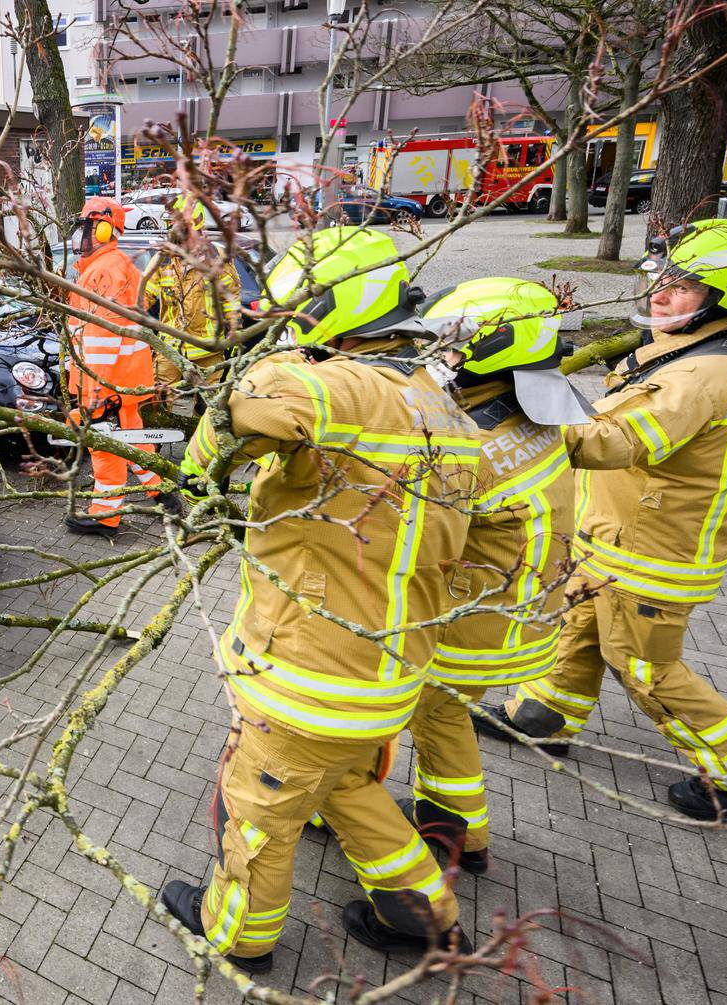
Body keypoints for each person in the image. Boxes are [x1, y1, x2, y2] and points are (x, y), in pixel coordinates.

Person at [161, 227, 479, 969]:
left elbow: (255, 400)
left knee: (258, 815)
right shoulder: (441, 407)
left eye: (297, 314)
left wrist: (197, 472)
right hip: (384, 674)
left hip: (310, 676)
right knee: (350, 793)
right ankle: (422, 915)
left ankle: (237, 934)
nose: (289, 330)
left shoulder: (345, 384)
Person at [474, 219, 727, 820]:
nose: (661, 294)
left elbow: (615, 440)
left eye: (684, 286)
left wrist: (517, 419)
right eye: (662, 278)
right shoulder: (701, 345)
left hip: (655, 550)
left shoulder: (704, 373)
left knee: (646, 667)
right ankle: (542, 715)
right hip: (618, 536)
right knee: (580, 624)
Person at [398, 278, 590, 875]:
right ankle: (459, 825)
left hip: (477, 624)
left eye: (450, 349)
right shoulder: (528, 415)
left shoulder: (470, 449)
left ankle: (453, 838)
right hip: (518, 612)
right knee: (447, 717)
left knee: (432, 716)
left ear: (492, 356)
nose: (437, 359)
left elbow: (411, 535)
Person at [64, 195, 170, 537]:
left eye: (90, 228)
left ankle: (105, 516)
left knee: (106, 447)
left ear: (108, 229)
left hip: (106, 383)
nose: (83, 236)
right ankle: (162, 494)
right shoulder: (108, 266)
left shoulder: (105, 271)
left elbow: (101, 341)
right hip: (123, 380)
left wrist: (96, 393)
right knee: (136, 440)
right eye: (84, 227)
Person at [139, 195, 243, 401]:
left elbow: (231, 300)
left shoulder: (217, 260)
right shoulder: (164, 260)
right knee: (161, 401)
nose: (172, 232)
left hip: (208, 351)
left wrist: (234, 334)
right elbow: (145, 295)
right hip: (169, 350)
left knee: (211, 406)